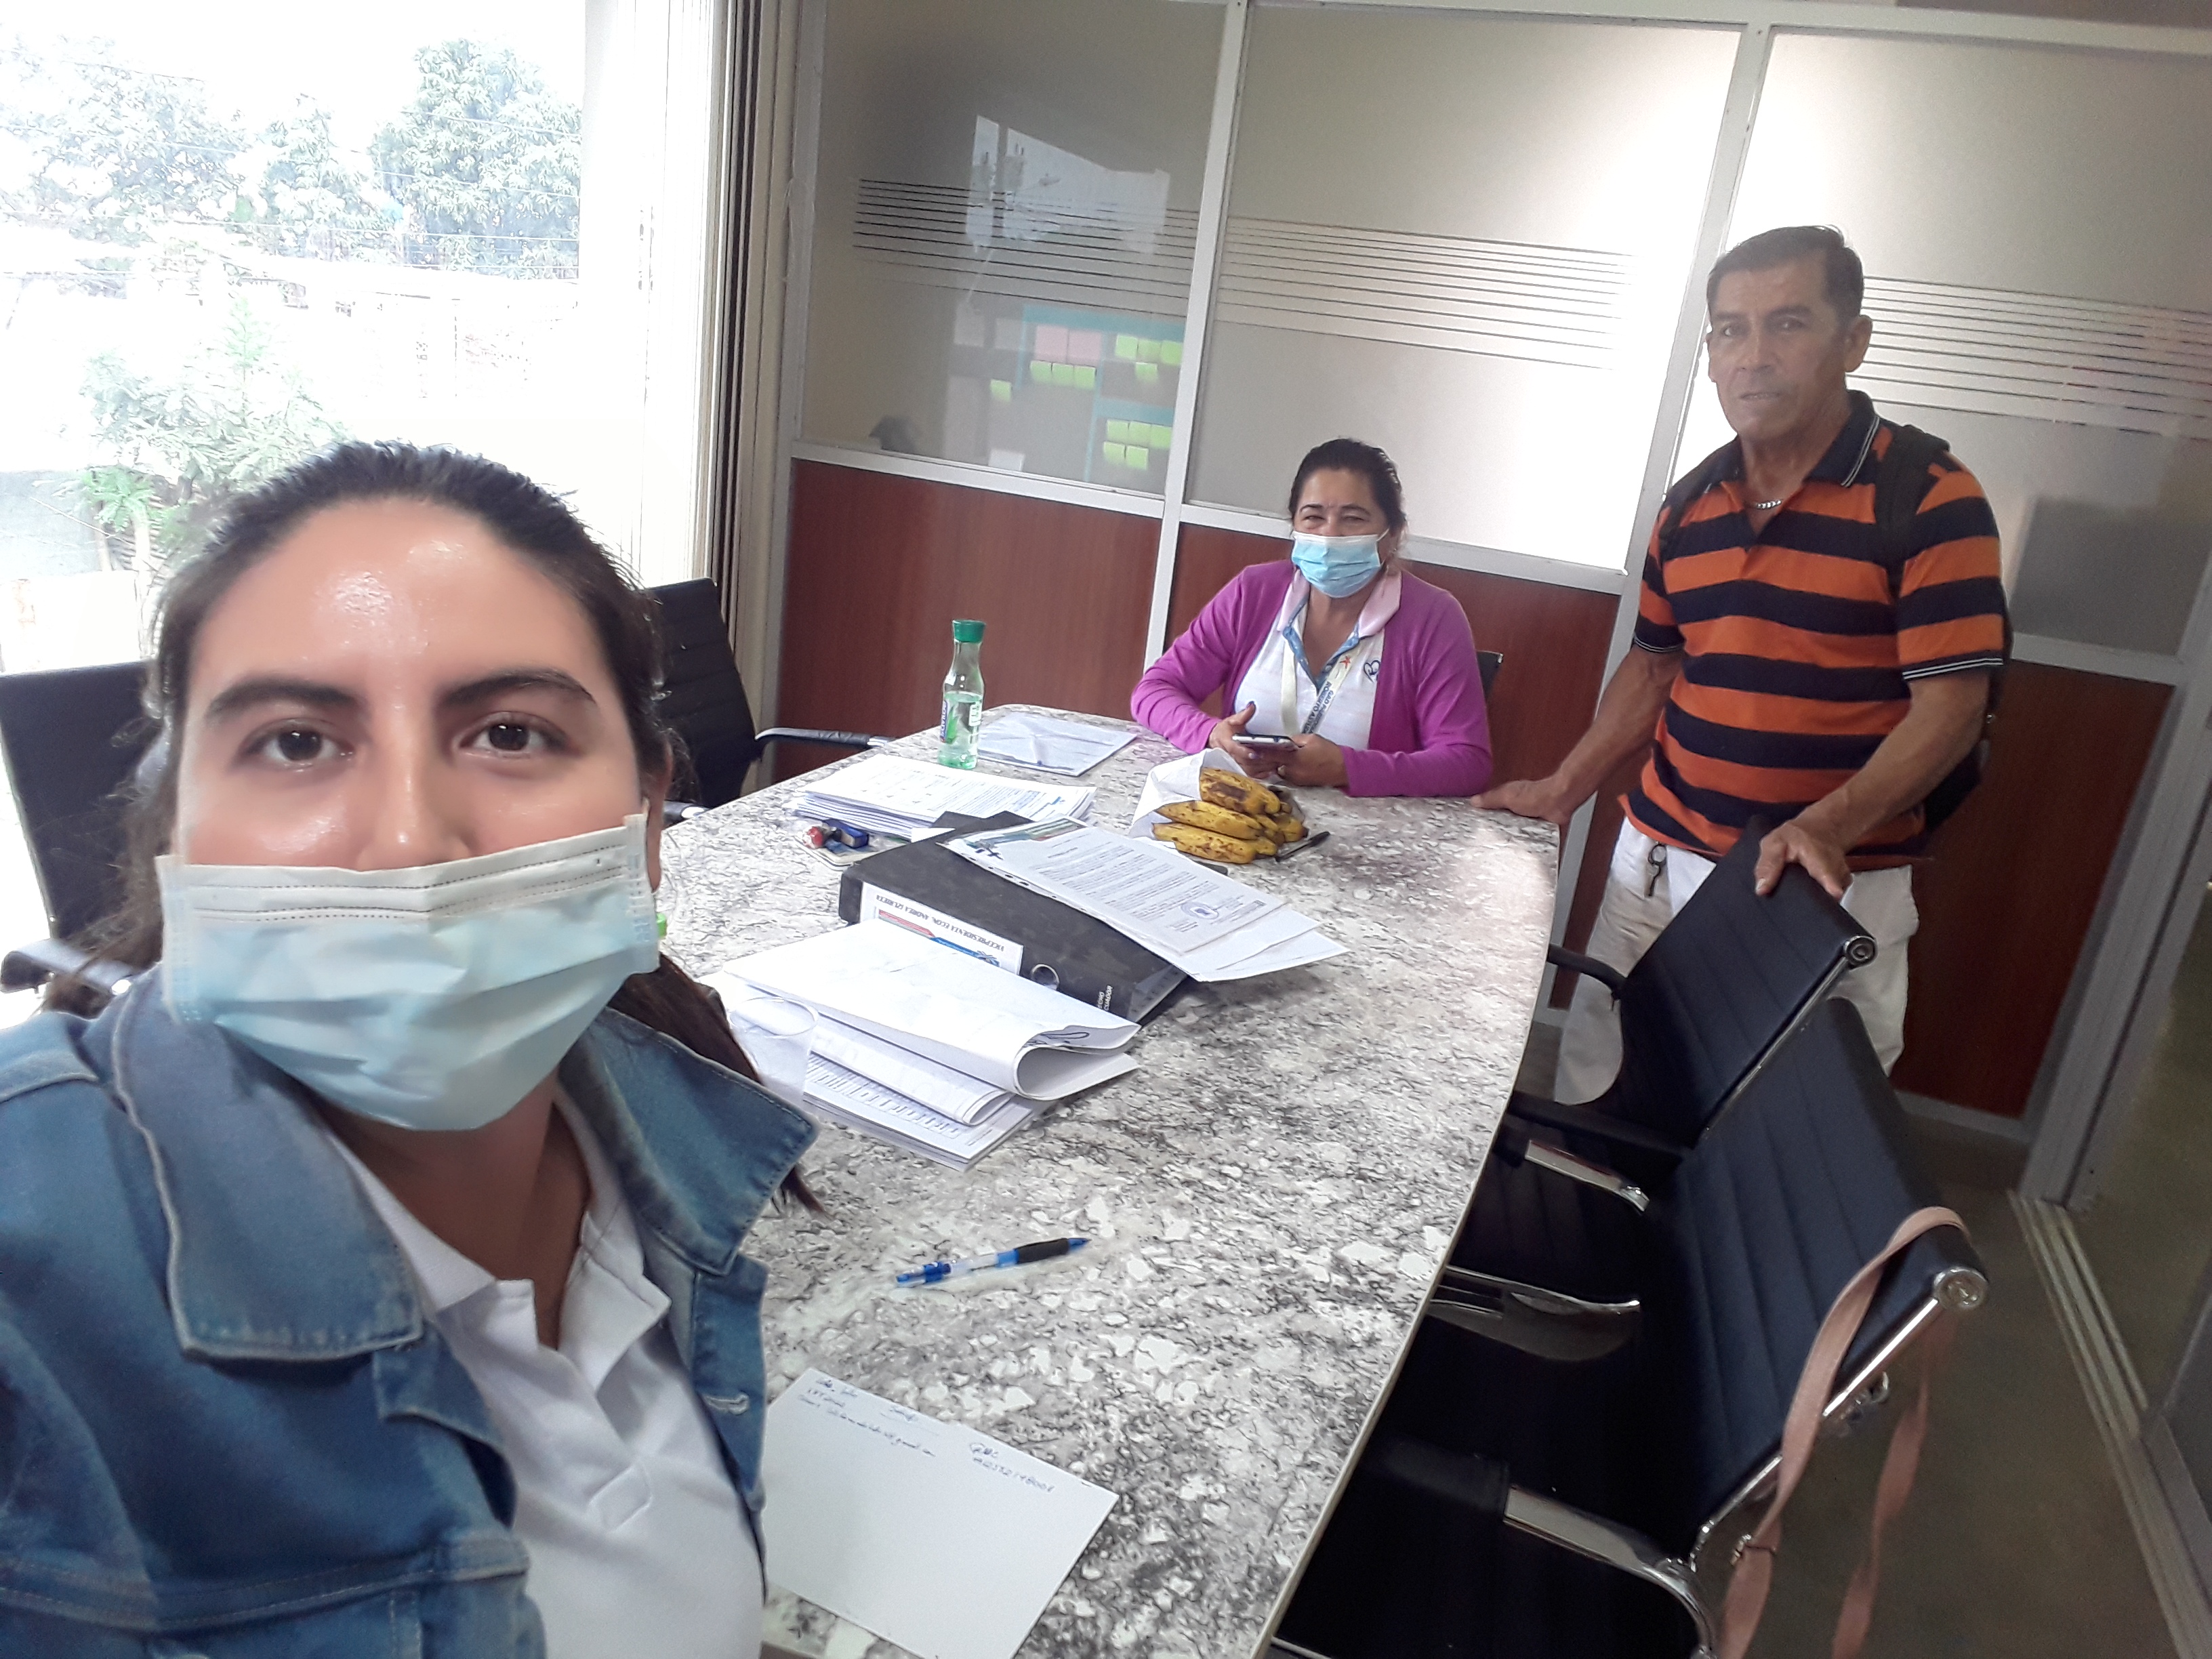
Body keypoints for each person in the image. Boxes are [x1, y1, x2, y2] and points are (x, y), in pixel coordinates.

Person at [0, 443, 817, 1657]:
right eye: (295, 741)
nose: (407, 840)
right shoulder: (33, 1277)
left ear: (646, 819)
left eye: (509, 732)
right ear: (181, 828)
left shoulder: (668, 1138)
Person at [1476, 226, 2007, 1097]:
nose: (1753, 356)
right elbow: (1653, 670)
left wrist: (1826, 826)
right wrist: (1562, 789)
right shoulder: (1691, 505)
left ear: (1853, 341)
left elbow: (1951, 710)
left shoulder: (1928, 496)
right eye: (1731, 330)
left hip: (1824, 889)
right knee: (1602, 1099)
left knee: (1790, 1128)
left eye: (1788, 324)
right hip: (1658, 865)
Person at [1132, 438, 1492, 797]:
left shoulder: (1433, 618)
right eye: (1314, 517)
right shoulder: (1253, 593)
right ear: (1294, 526)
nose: (1330, 534)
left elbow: (1466, 762)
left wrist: (1347, 768)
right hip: (1247, 814)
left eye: (1353, 519)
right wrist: (1211, 735)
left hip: (1366, 827)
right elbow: (1154, 690)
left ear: (1392, 534)